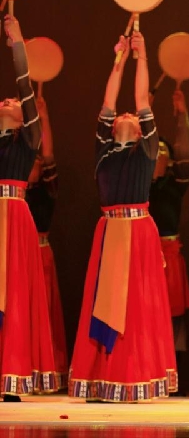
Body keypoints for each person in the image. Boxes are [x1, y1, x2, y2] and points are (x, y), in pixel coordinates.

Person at [69, 31, 177, 402]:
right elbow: (109, 100)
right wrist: (118, 60)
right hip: (109, 230)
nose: (128, 114)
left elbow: (142, 99)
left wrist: (141, 56)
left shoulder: (147, 149)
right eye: (122, 115)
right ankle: (103, 376)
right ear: (113, 126)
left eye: (135, 115)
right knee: (103, 302)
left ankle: (134, 374)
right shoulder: (104, 148)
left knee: (136, 306)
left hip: (138, 231)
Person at [0, 15, 59, 401]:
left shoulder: (27, 140)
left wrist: (17, 42)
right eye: (2, 100)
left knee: (13, 296)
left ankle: (11, 372)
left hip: (15, 217)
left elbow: (24, 84)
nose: (6, 100)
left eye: (13, 102)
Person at [148, 88, 189, 396]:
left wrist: (182, 116)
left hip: (170, 254)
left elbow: (186, 150)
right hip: (145, 255)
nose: (159, 154)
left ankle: (174, 377)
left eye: (164, 151)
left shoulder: (175, 183)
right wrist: (146, 112)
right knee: (146, 315)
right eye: (155, 150)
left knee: (174, 318)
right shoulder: (138, 182)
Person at [25, 94, 68, 391]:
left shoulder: (47, 190)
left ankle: (44, 367)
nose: (35, 165)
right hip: (20, 254)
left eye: (38, 163)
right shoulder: (13, 191)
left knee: (43, 313)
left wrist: (44, 117)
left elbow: (49, 152)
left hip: (41, 255)